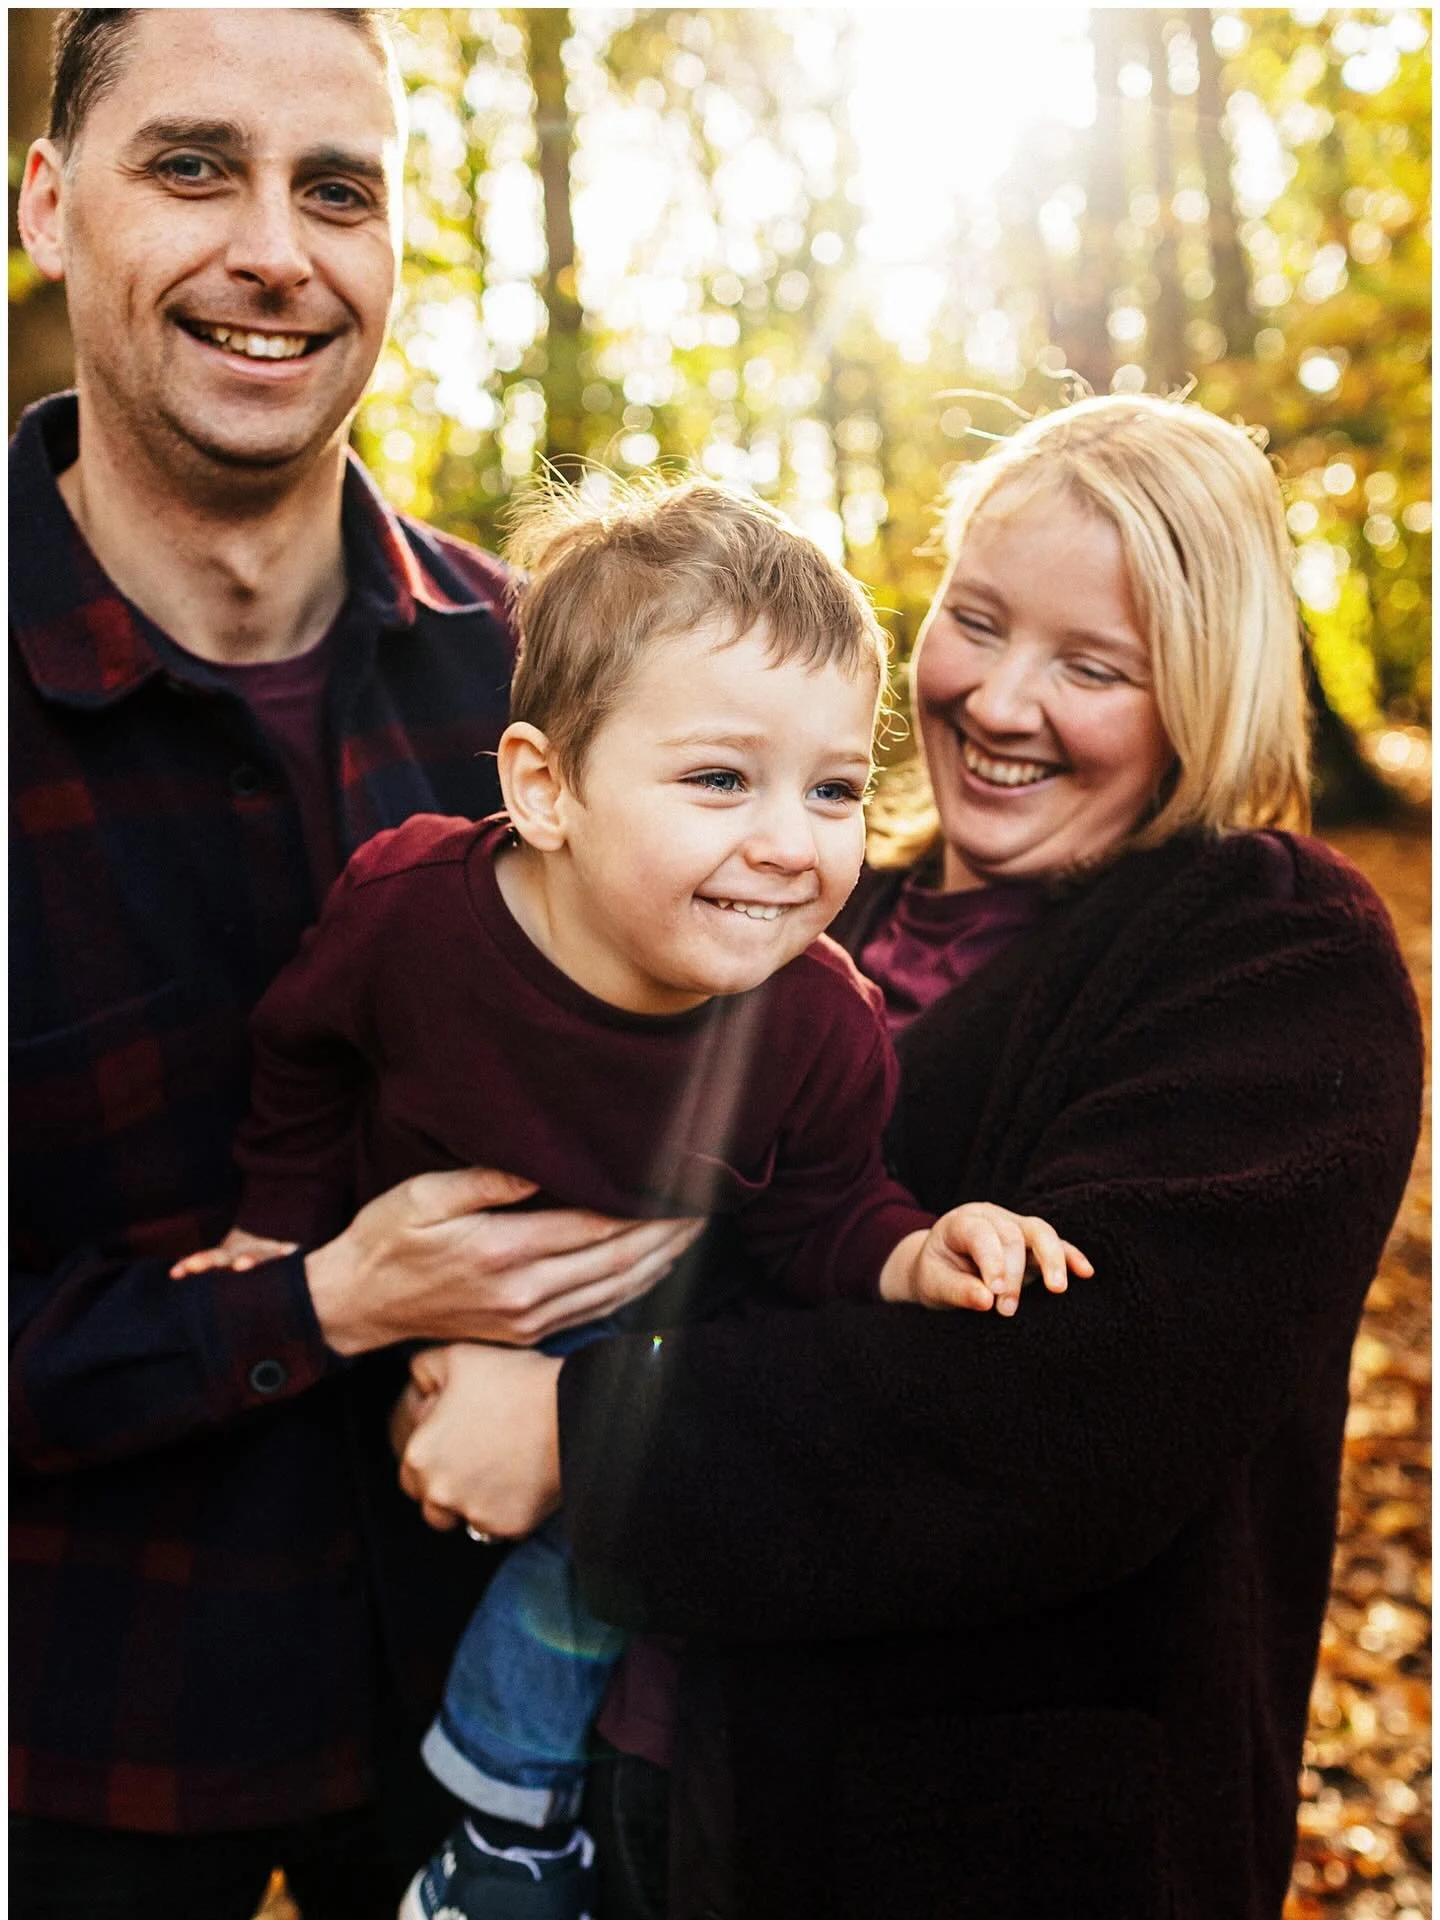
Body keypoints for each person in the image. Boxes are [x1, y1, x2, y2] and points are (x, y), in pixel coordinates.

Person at [393, 394, 1425, 1920]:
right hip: (638, 1779)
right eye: (978, 620)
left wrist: (578, 1435)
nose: (1002, 702)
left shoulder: (1266, 950)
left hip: (977, 1841)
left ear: (1201, 692)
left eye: (1093, 667)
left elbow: (1076, 1407)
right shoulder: (813, 916)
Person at [173, 478, 1089, 1920]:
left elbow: (823, 1216)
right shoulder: (416, 914)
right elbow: (302, 1051)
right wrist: (280, 1230)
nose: (793, 842)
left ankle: (509, 1828)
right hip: (383, 1352)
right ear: (545, 789)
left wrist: (923, 1257)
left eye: (835, 788)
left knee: (607, 1531)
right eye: (721, 780)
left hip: (619, 1360)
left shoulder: (813, 1024)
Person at [10, 13, 695, 1918]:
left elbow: (770, 1079)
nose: (277, 251)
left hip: (509, 1755)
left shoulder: (551, 676)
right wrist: (312, 1303)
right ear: (48, 203)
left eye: (340, 192)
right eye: (193, 167)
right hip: (77, 1759)